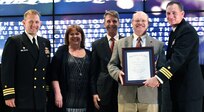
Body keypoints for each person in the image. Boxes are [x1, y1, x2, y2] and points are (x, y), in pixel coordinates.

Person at [144, 1, 204, 112]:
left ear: (182, 14)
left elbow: (177, 59)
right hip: (179, 89)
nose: (170, 16)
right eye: (168, 13)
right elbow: (171, 58)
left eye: (174, 13)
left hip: (188, 91)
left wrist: (158, 78)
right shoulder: (175, 31)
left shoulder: (187, 31)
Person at [107, 11, 165, 112]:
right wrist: (117, 73)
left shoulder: (158, 44)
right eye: (137, 20)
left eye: (143, 20)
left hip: (149, 96)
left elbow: (162, 68)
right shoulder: (120, 43)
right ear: (132, 23)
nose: (140, 23)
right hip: (126, 96)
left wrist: (157, 77)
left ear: (148, 23)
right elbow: (111, 65)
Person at [1, 9, 51, 112]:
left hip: (40, 97)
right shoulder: (14, 41)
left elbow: (46, 70)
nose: (34, 25)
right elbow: (7, 70)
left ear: (40, 23)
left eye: (37, 22)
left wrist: (46, 92)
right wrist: (8, 94)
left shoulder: (45, 42)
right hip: (22, 97)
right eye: (31, 21)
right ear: (24, 23)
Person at [50, 25, 93, 112]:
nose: (75, 36)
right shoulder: (61, 51)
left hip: (84, 101)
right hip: (66, 100)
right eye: (71, 34)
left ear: (82, 36)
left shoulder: (89, 54)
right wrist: (58, 94)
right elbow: (54, 75)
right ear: (67, 37)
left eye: (77, 34)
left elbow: (92, 76)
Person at [90, 10, 123, 112]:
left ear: (119, 23)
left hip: (123, 90)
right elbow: (93, 72)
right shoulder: (97, 44)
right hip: (103, 92)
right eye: (108, 21)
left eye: (114, 21)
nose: (111, 24)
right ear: (104, 24)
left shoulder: (126, 42)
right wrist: (94, 93)